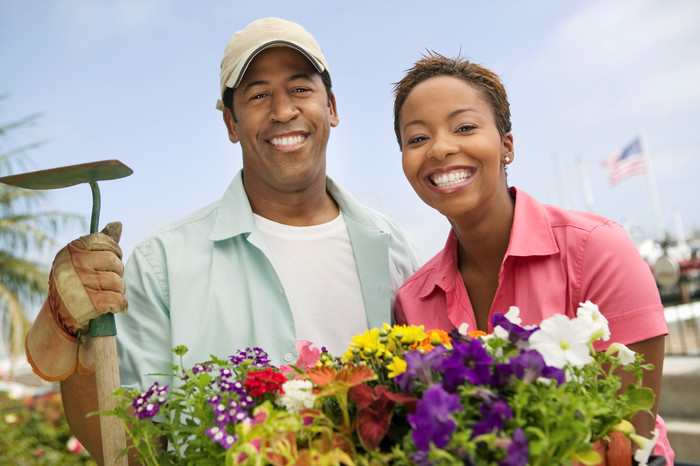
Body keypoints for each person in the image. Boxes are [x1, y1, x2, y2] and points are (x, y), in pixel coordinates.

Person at [24, 17, 421, 463]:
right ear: (231, 122)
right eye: (258, 95)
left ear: (330, 106)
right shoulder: (164, 265)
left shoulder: (391, 247)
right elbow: (126, 450)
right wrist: (74, 326)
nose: (283, 110)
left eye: (300, 89)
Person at [391, 52, 673, 463]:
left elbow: (630, 438)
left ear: (506, 146)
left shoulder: (597, 248)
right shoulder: (412, 301)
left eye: (464, 127)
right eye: (417, 138)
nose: (440, 148)